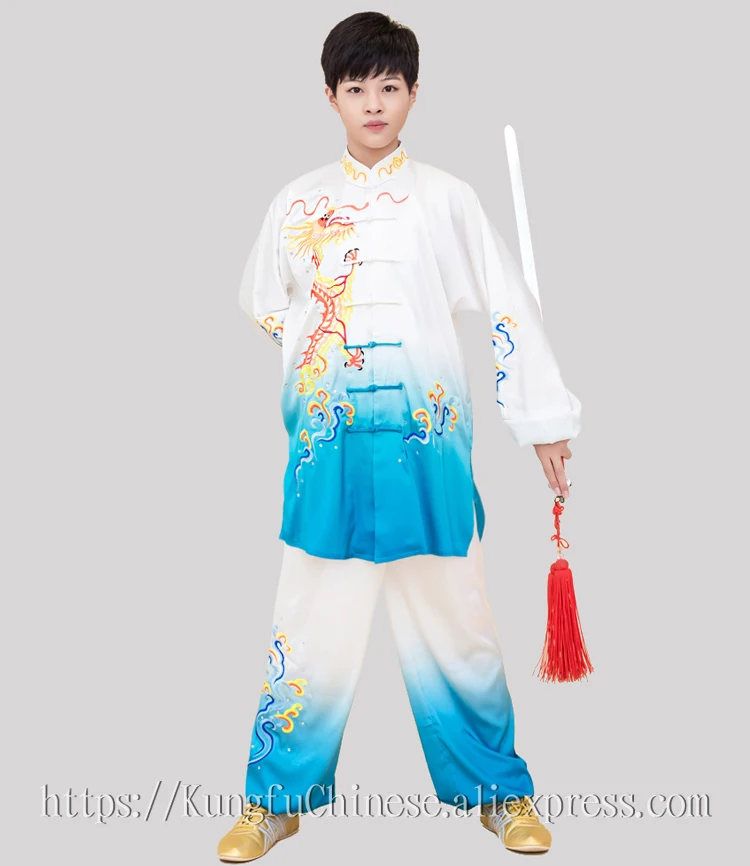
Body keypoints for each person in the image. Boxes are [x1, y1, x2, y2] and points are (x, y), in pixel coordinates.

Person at [218, 10, 581, 862]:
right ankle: (275, 801)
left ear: (414, 93)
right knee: (308, 625)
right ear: (331, 98)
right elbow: (263, 300)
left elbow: (507, 303)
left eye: (389, 86)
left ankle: (499, 793)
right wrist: (320, 360)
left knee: (461, 625)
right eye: (357, 88)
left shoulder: (449, 199)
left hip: (428, 451)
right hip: (331, 452)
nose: (374, 104)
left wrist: (542, 420)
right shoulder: (298, 202)